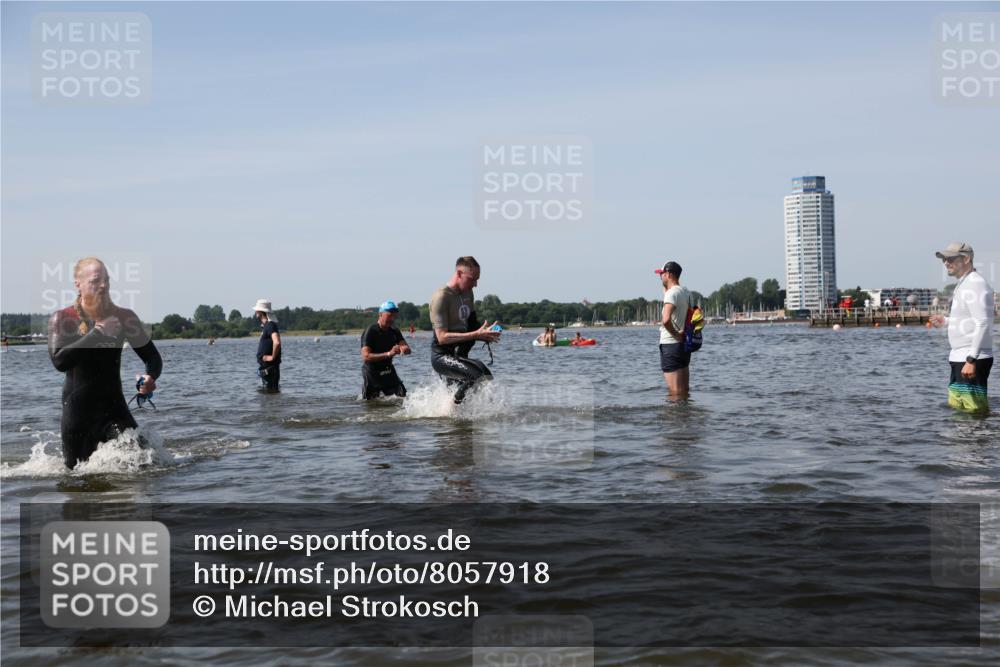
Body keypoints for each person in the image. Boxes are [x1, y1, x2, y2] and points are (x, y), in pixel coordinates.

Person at [48, 257, 162, 468]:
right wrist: (98, 333)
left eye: (106, 280)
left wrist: (150, 376)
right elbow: (59, 361)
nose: (103, 285)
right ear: (78, 283)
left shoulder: (124, 317)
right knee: (77, 481)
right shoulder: (63, 318)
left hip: (114, 412)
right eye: (95, 280)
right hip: (77, 418)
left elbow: (152, 357)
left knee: (148, 463)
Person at [929, 242, 994, 414]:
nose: (945, 263)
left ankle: (978, 440)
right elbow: (967, 318)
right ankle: (962, 441)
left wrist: (971, 359)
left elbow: (983, 322)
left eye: (950, 258)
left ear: (966, 259)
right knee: (960, 410)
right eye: (944, 259)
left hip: (970, 358)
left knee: (973, 412)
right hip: (960, 356)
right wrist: (946, 321)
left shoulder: (975, 284)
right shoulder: (964, 283)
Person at [429, 256, 501, 404]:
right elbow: (442, 337)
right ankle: (450, 409)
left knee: (485, 375)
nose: (475, 284)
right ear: (459, 273)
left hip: (459, 355)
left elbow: (473, 324)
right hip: (442, 356)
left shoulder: (468, 293)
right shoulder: (441, 297)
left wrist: (485, 333)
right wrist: (476, 334)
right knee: (475, 376)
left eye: (477, 279)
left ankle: (467, 415)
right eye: (472, 279)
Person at [361, 300, 411, 399]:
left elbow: (406, 348)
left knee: (402, 396)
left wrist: (404, 349)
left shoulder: (394, 330)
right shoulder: (371, 331)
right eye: (389, 315)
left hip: (388, 369)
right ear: (380, 314)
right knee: (371, 402)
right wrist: (389, 353)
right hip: (372, 371)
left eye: (394, 316)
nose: (392, 319)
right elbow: (366, 356)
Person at [656, 261, 692, 398]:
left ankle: (674, 419)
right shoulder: (687, 292)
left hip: (671, 345)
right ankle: (686, 417)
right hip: (684, 346)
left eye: (662, 274)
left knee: (674, 391)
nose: (661, 277)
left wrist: (676, 334)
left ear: (669, 274)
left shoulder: (671, 294)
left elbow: (665, 320)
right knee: (684, 390)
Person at [252, 299, 281, 392]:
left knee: (270, 397)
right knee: (269, 399)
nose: (255, 312)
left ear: (261, 312)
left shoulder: (270, 325)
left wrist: (272, 357)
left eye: (257, 310)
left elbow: (277, 342)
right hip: (267, 370)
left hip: (270, 370)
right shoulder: (267, 326)